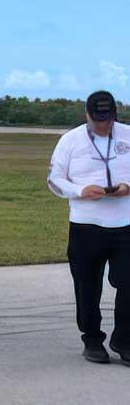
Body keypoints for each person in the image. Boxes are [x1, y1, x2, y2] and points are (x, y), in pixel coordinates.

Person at [48, 90, 130, 366]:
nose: (103, 126)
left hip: (125, 225)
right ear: (87, 114)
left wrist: (127, 187)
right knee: (86, 285)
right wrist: (81, 190)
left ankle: (124, 340)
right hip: (86, 226)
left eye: (107, 121)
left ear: (115, 115)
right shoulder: (70, 141)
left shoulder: (128, 135)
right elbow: (55, 180)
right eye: (97, 121)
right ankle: (93, 339)